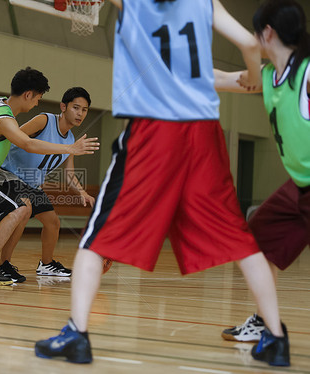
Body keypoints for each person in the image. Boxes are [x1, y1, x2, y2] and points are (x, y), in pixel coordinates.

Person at [34, 0, 290, 368]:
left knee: (97, 234)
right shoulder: (205, 2)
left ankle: (77, 333)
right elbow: (250, 47)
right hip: (203, 132)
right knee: (239, 237)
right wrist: (252, 75)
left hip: (153, 129)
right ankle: (277, 340)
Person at [214, 0, 308, 348]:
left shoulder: (307, 72)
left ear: (267, 33)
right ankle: (264, 321)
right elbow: (222, 79)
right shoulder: (267, 78)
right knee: (256, 238)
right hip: (299, 188)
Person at [0, 67, 99, 286]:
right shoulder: (28, 120)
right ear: (29, 94)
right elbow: (25, 142)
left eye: (84, 110)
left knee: (47, 220)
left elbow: (68, 171)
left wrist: (81, 191)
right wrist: (70, 149)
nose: (37, 103)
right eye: (38, 98)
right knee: (20, 208)